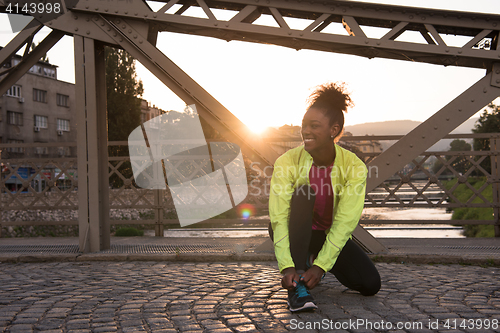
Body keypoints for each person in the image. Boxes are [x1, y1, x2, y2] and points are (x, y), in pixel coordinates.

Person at [268, 82, 381, 312]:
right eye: (304, 125)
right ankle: (298, 285)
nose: (305, 131)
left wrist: (320, 266)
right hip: (295, 232)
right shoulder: (287, 162)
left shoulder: (354, 167)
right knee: (302, 192)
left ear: (334, 130)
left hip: (326, 236)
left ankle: (310, 261)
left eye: (314, 125)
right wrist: (287, 267)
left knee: (370, 284)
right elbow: (279, 218)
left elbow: (344, 223)